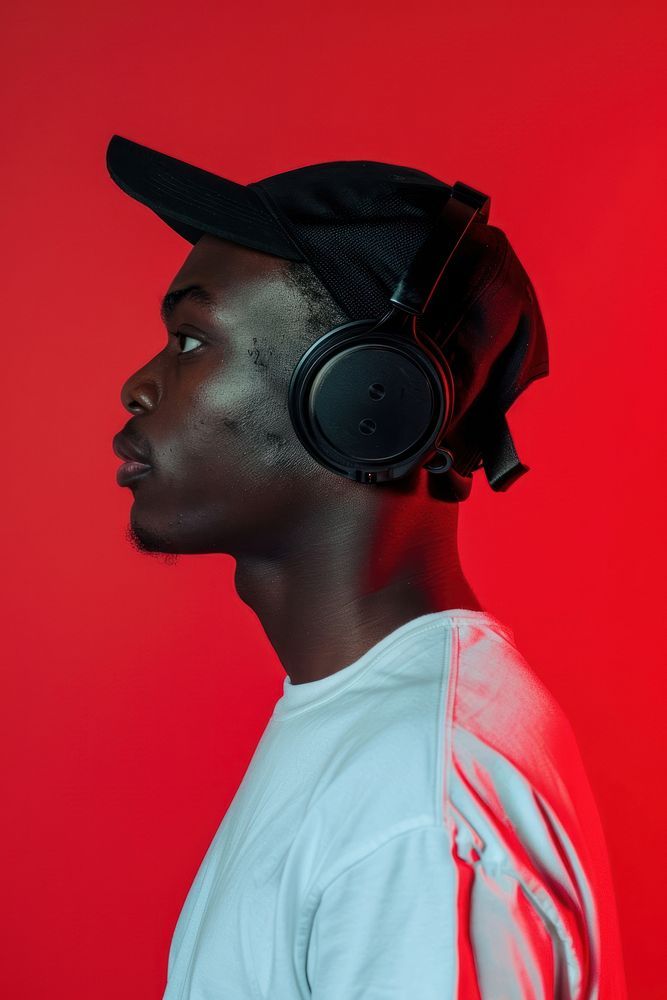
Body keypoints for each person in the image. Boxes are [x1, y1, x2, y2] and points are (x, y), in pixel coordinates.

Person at [106, 134, 627, 999]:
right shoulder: (371, 739)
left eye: (190, 342)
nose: (138, 385)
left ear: (364, 399)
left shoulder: (413, 810)